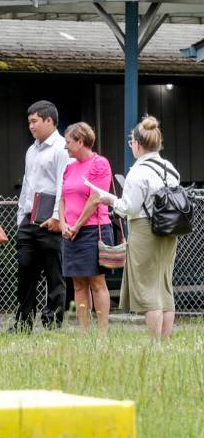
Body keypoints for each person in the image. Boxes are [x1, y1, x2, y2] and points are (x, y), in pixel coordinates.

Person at [90, 116, 179, 339]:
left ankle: (155, 344)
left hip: (144, 229)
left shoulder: (138, 172)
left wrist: (109, 199)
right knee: (164, 285)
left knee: (148, 287)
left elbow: (128, 207)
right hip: (170, 229)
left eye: (132, 143)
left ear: (137, 144)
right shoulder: (169, 168)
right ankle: (165, 342)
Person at [13, 100, 70, 332]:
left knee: (53, 273)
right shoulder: (31, 150)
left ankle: (52, 323)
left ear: (49, 120)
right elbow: (27, 184)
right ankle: (23, 323)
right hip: (29, 218)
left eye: (34, 121)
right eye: (29, 122)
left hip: (50, 219)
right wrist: (20, 217)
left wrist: (58, 216)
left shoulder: (61, 148)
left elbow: (62, 185)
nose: (31, 126)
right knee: (25, 270)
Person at [58, 122, 113, 335]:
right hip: (70, 232)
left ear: (81, 141)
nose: (66, 147)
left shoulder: (100, 164)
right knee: (78, 284)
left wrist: (77, 225)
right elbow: (62, 198)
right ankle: (84, 332)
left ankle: (102, 334)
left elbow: (95, 198)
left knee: (97, 281)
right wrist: (63, 224)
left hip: (92, 230)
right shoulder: (69, 167)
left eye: (69, 142)